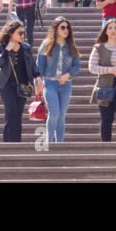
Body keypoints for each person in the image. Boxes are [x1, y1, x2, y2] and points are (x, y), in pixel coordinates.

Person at [34, 16, 80, 144]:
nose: (66, 30)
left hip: (65, 85)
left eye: (67, 28)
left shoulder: (71, 46)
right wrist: (38, 82)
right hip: (50, 83)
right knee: (54, 112)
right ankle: (49, 142)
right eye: (63, 27)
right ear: (56, 29)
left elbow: (77, 65)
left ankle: (59, 144)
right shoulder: (46, 44)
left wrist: (67, 75)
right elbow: (39, 66)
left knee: (61, 115)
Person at [89, 18, 116, 142]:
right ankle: (106, 148)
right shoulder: (99, 47)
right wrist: (110, 70)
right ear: (105, 31)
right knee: (106, 119)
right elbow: (92, 67)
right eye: (110, 28)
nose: (113, 31)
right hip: (105, 88)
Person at [0, 19, 36, 143]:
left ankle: (17, 142)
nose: (23, 36)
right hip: (6, 85)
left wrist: (37, 77)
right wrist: (7, 51)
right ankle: (8, 143)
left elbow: (32, 64)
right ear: (11, 33)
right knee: (11, 112)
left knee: (18, 114)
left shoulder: (25, 48)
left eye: (23, 33)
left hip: (22, 86)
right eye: (20, 33)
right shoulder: (1, 46)